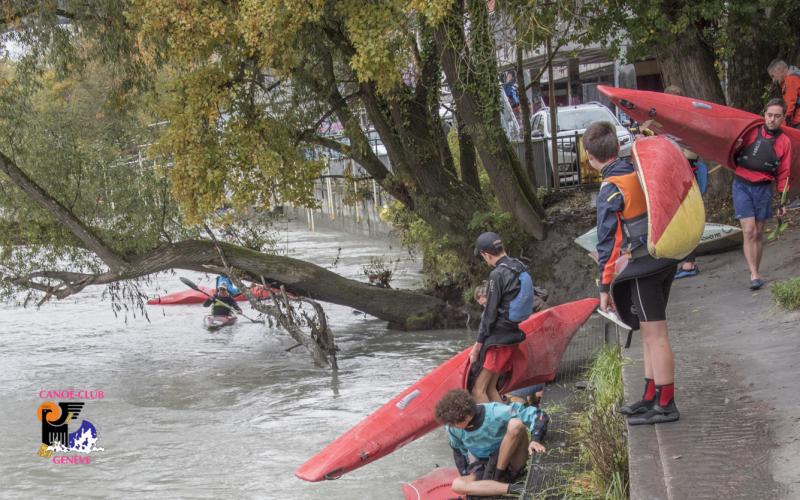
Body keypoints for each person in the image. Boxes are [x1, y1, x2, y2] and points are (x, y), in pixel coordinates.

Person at [585, 121, 680, 425]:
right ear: (616, 147)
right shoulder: (636, 168)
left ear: (590, 156)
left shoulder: (612, 187)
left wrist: (604, 285)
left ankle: (666, 405)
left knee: (656, 334)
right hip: (664, 255)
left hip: (643, 265)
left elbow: (608, 241)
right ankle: (651, 395)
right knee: (650, 335)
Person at [435, 389, 548, 498]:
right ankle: (517, 488)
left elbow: (538, 415)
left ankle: (497, 479)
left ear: (467, 416)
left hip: (513, 459)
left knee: (515, 424)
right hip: (487, 465)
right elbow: (459, 452)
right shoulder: (452, 428)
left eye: (455, 423)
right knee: (457, 485)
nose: (453, 427)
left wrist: (535, 439)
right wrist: (465, 474)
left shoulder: (495, 411)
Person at [732, 98, 792, 290]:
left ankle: (756, 270)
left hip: (763, 188)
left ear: (783, 118)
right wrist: (736, 146)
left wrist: (783, 203)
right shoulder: (750, 132)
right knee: (749, 230)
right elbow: (731, 154)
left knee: (757, 233)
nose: (772, 119)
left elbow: (784, 173)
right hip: (741, 185)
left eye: (777, 116)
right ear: (764, 114)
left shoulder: (784, 142)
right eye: (769, 115)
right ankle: (754, 275)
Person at [471, 232, 534, 404]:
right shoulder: (520, 266)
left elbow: (490, 315)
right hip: (512, 335)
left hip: (498, 341)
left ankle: (496, 429)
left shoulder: (497, 274)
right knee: (491, 388)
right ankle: (509, 424)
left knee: (478, 390)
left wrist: (477, 346)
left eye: (483, 256)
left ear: (486, 254)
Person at [662, 85, 707, 279]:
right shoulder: (666, 120)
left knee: (688, 217)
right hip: (674, 173)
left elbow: (692, 149)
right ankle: (680, 260)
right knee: (675, 217)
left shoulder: (688, 119)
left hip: (687, 173)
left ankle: (689, 264)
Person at [767, 60, 800, 128]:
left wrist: (782, 125)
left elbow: (790, 105)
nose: (773, 80)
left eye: (773, 76)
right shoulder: (796, 75)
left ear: (779, 70)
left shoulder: (791, 80)